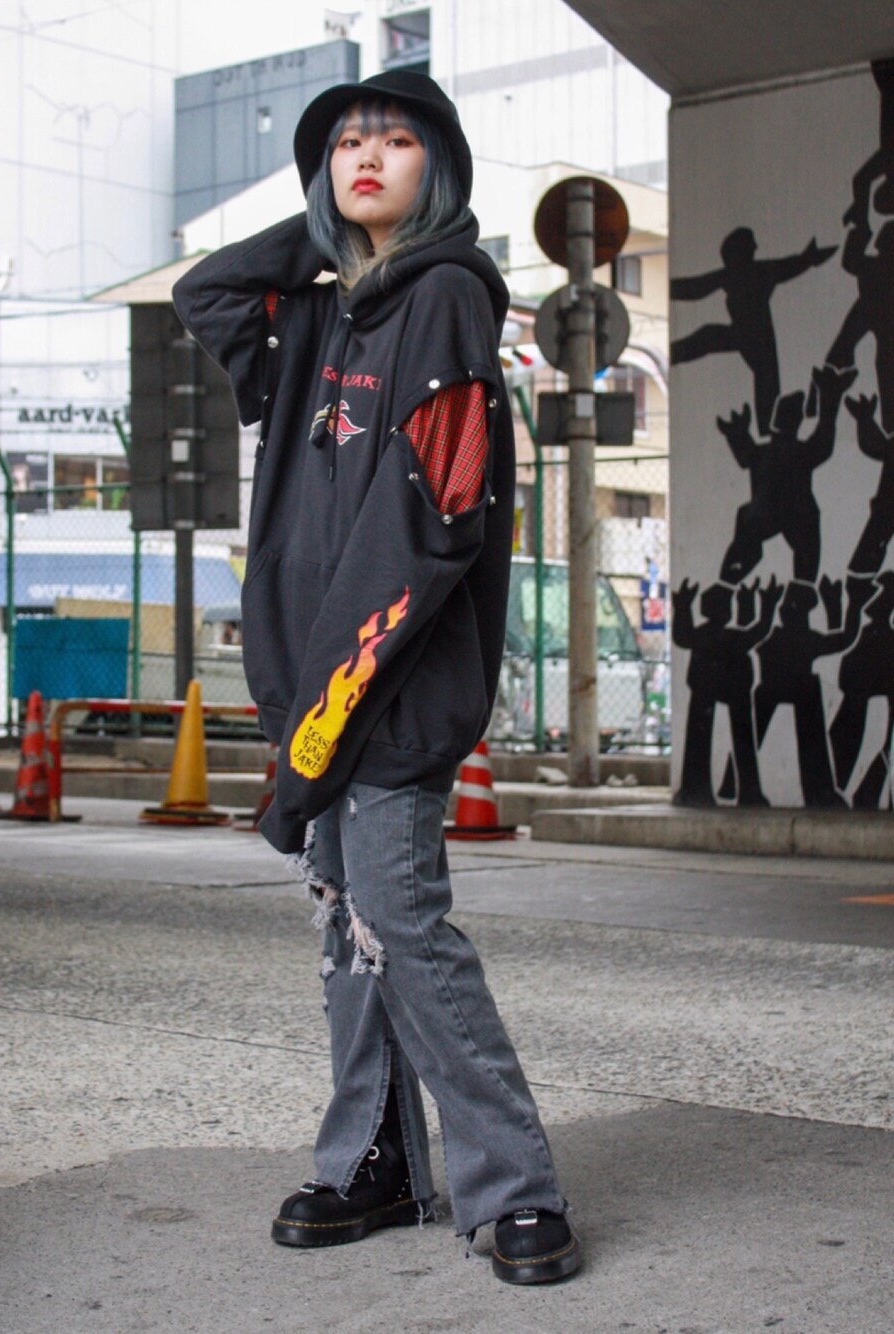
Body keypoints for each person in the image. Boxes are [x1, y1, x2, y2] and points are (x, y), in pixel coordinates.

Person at [172, 70, 580, 1286]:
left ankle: (516, 1183)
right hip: (315, 681)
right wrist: (325, 232)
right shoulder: (316, 319)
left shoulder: (445, 297)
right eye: (345, 144)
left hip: (386, 681)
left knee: (398, 919)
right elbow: (206, 291)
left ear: (437, 170)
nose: (366, 156)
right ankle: (375, 1160)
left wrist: (329, 709)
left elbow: (429, 525)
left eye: (396, 142)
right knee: (348, 926)